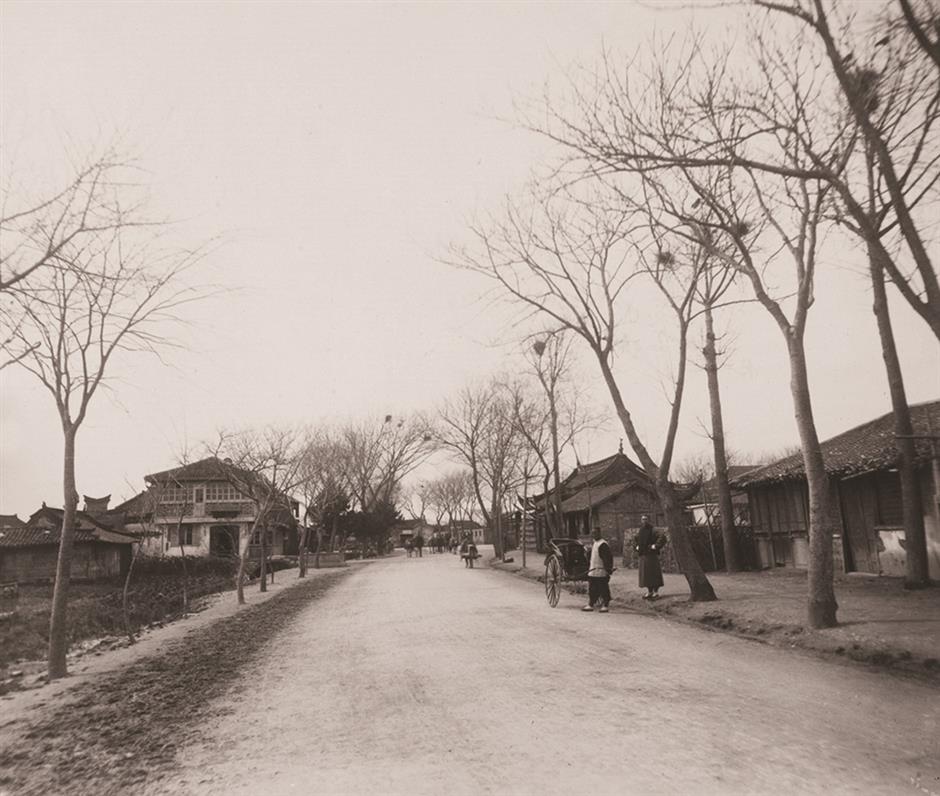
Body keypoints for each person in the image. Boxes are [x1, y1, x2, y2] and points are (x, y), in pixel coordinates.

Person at [582, 526, 614, 612]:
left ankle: (605, 605)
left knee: (603, 588)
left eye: (595, 533)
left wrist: (608, 569)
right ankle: (591, 604)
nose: (594, 535)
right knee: (592, 588)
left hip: (601, 571)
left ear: (599, 533)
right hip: (593, 570)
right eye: (592, 533)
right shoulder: (595, 543)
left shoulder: (603, 544)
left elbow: (607, 558)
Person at [635, 515, 664, 599]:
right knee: (646, 575)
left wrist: (655, 546)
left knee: (654, 574)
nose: (644, 521)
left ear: (649, 520)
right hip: (643, 555)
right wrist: (636, 546)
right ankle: (649, 591)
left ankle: (656, 592)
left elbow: (662, 537)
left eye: (646, 519)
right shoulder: (640, 530)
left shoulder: (653, 529)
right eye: (643, 519)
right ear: (641, 520)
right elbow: (635, 539)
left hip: (652, 556)